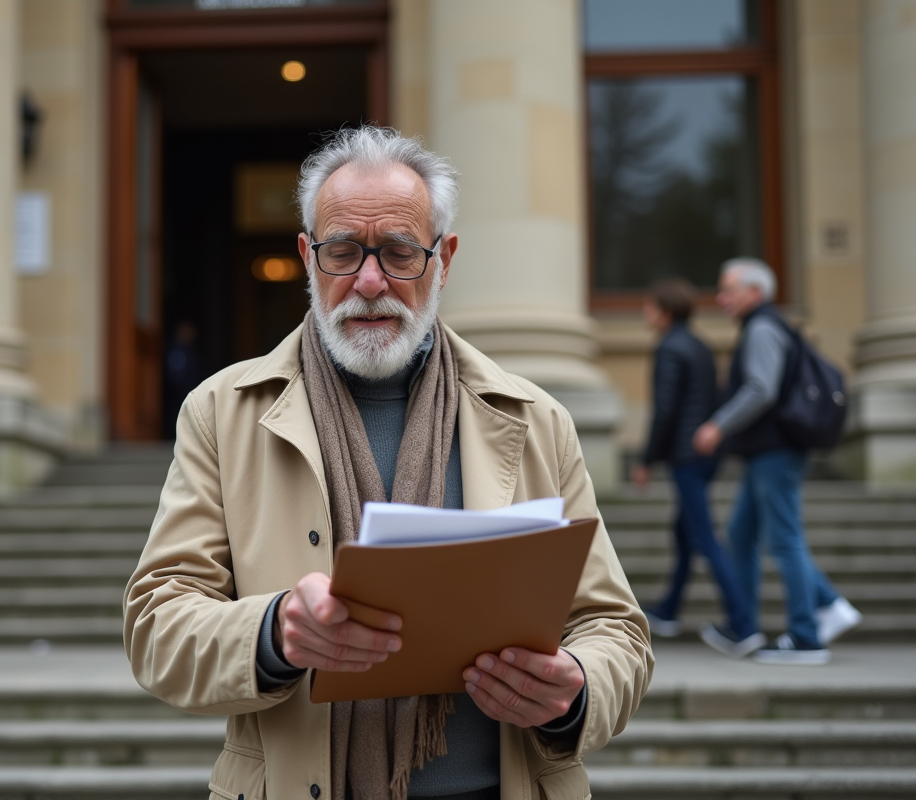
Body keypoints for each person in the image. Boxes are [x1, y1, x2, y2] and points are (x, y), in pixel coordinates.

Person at [124, 127, 652, 800]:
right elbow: (157, 626)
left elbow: (616, 630)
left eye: (400, 252)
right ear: (307, 257)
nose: (369, 282)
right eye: (342, 251)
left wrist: (575, 689)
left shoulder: (536, 420)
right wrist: (272, 633)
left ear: (443, 258)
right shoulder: (221, 413)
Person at [693, 258, 861, 665]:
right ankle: (746, 624)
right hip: (767, 450)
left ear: (755, 292)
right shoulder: (766, 325)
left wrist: (717, 426)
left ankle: (806, 636)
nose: (721, 298)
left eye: (728, 290)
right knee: (742, 532)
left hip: (776, 450)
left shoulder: (762, 328)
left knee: (784, 538)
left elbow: (761, 389)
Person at [632, 278, 762, 655]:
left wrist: (646, 459)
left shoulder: (669, 347)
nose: (646, 313)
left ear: (665, 311)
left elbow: (665, 409)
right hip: (706, 454)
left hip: (686, 455)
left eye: (650, 307)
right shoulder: (700, 345)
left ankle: (743, 626)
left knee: (704, 537)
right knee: (685, 532)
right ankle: (669, 610)